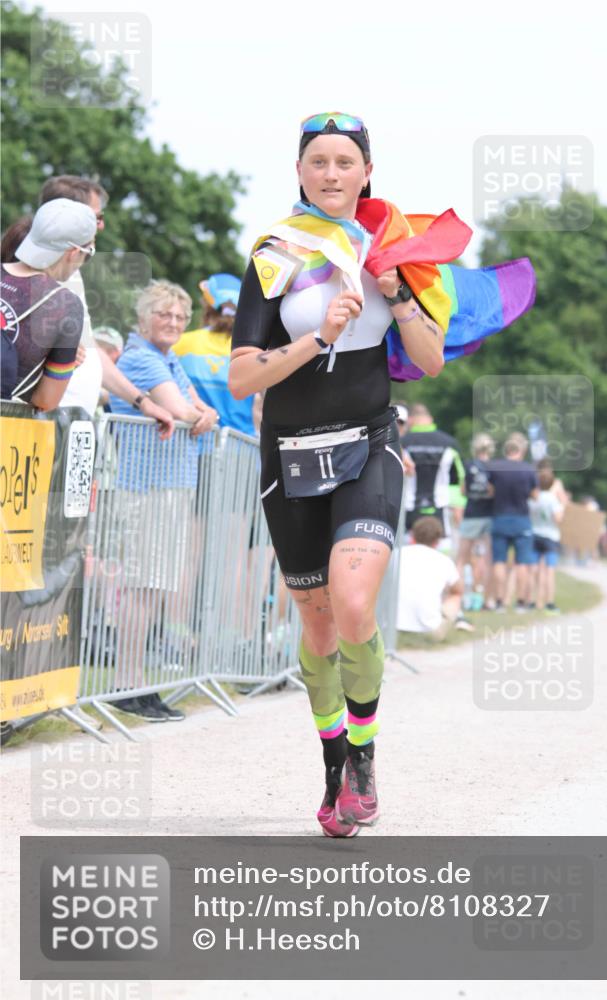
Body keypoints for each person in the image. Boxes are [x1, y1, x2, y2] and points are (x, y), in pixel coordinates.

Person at [229, 112, 448, 838]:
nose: (331, 173)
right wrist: (316, 337)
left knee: (354, 603)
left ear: (366, 173)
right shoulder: (274, 253)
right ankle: (333, 771)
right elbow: (240, 377)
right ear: (299, 172)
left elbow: (430, 358)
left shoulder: (392, 250)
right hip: (289, 455)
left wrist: (398, 294)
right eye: (317, 161)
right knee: (319, 627)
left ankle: (364, 759)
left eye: (344, 162)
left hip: (368, 444)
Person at [108, 280, 219, 722]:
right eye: (164, 314)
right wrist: (198, 415)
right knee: (143, 584)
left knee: (153, 587)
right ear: (144, 318)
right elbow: (185, 410)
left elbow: (200, 408)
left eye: (180, 316)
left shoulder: (168, 359)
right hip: (147, 485)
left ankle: (137, 682)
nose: (173, 322)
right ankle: (126, 684)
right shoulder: (141, 358)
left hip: (168, 484)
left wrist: (200, 414)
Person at [30, 175, 174, 436]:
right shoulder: (32, 269)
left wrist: (142, 402)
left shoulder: (70, 270)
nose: (102, 225)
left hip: (70, 426)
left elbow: (90, 350)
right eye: (97, 217)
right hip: (40, 426)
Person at [1, 198, 95, 409]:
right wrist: (63, 364)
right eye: (88, 253)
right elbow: (46, 401)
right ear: (73, 253)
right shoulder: (66, 305)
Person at [173, 272, 254, 434]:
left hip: (193, 440)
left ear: (207, 306)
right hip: (241, 444)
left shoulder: (179, 343)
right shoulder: (251, 350)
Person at [397, 516, 473, 639]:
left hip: (391, 625)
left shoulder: (396, 554)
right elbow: (458, 590)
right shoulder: (444, 561)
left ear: (412, 536)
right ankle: (448, 624)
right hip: (429, 629)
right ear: (438, 541)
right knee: (455, 596)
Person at [487, 432, 538, 612]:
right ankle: (521, 603)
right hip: (521, 519)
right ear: (522, 450)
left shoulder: (495, 468)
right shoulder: (529, 469)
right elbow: (535, 495)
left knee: (499, 561)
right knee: (521, 562)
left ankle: (499, 602)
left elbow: (490, 491)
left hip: (500, 517)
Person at [402, 403, 465, 545]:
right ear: (430, 419)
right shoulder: (450, 443)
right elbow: (460, 477)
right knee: (441, 548)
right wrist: (459, 504)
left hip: (409, 507)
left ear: (410, 420)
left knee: (409, 550)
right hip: (439, 506)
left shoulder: (402, 442)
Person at [457, 433, 495, 610]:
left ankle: (459, 598)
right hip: (489, 515)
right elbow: (493, 491)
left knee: (462, 559)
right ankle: (487, 599)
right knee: (487, 560)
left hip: (471, 514)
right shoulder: (494, 467)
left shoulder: (468, 465)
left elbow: (463, 491)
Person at [528, 464, 564, 612]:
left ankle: (533, 601)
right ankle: (549, 602)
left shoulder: (533, 499)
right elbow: (558, 519)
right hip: (550, 536)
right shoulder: (553, 499)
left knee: (533, 569)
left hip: (535, 534)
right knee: (549, 570)